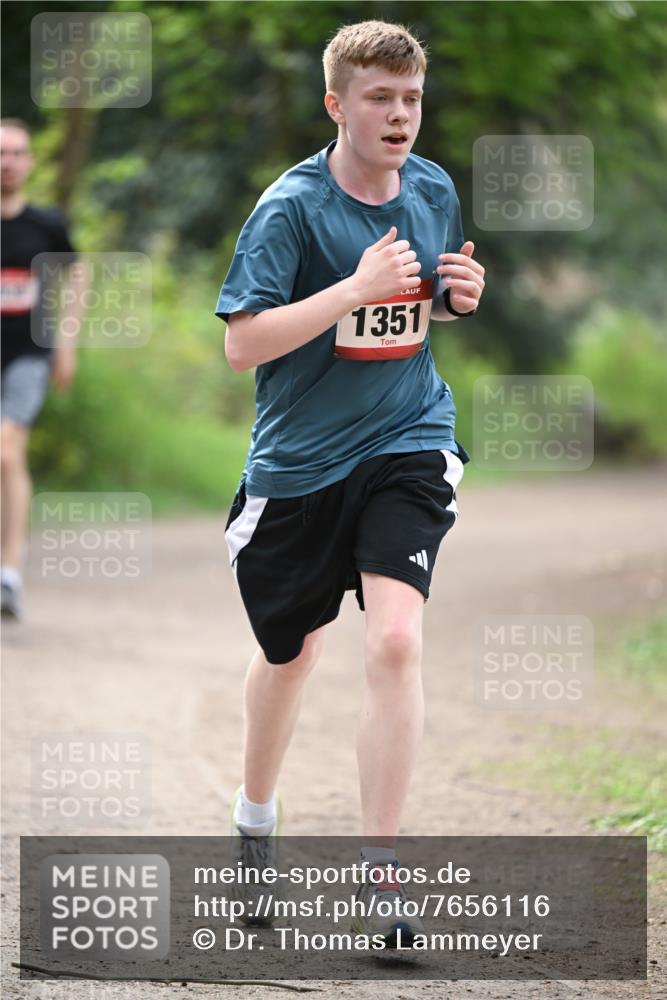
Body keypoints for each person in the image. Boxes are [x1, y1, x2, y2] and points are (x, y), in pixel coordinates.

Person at [215, 20, 485, 946]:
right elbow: (240, 343)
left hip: (409, 436)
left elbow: (425, 304)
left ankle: (382, 882)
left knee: (396, 644)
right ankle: (254, 824)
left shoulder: (436, 188)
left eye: (410, 98)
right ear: (338, 105)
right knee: (292, 654)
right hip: (299, 465)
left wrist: (457, 292)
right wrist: (352, 287)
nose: (399, 115)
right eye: (379, 98)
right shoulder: (289, 209)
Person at [1, 119, 80, 620]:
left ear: (30, 162)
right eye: (1, 153)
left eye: (17, 153)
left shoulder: (47, 224)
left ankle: (8, 573)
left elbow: (76, 274)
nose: (8, 161)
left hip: (28, 355)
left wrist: (67, 345)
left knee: (7, 454)